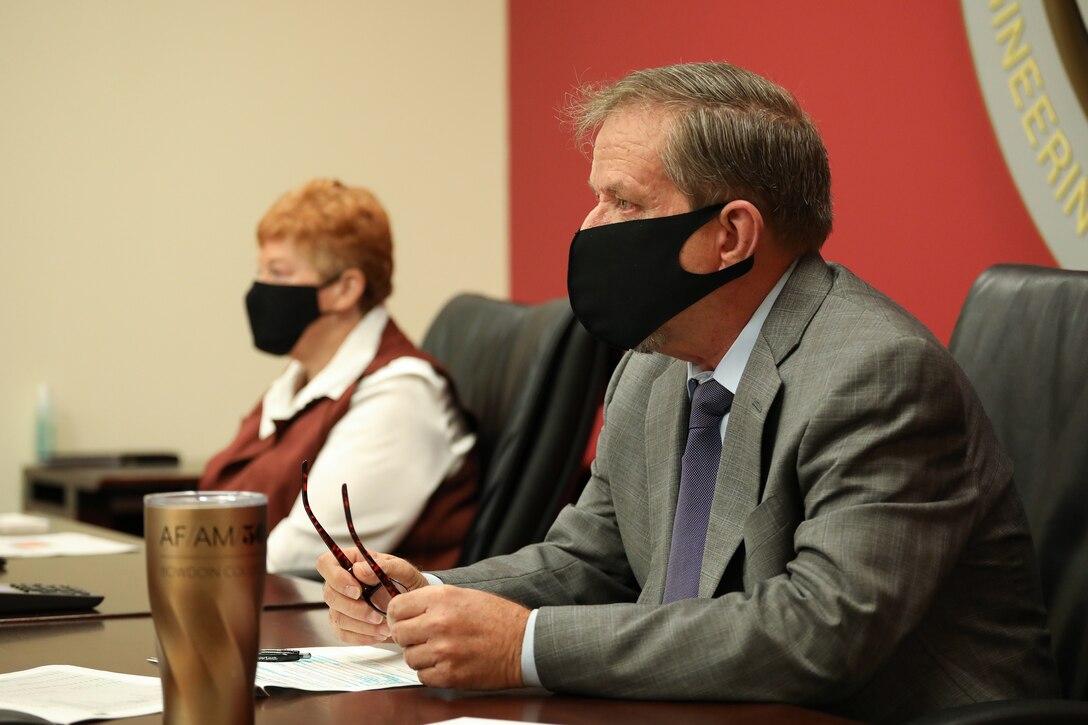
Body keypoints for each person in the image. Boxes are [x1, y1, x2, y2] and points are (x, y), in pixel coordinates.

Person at [316, 63, 1059, 722]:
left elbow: (817, 632)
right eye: (595, 199)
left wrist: (526, 644)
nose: (589, 227)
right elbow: (594, 558)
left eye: (624, 202)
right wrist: (430, 594)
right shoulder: (656, 362)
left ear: (731, 235)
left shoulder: (877, 374)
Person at [200, 178, 477, 573]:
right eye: (260, 271)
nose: (260, 289)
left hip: (351, 629)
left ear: (346, 289)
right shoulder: (301, 378)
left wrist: (183, 565)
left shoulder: (401, 395)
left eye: (278, 274)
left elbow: (305, 552)